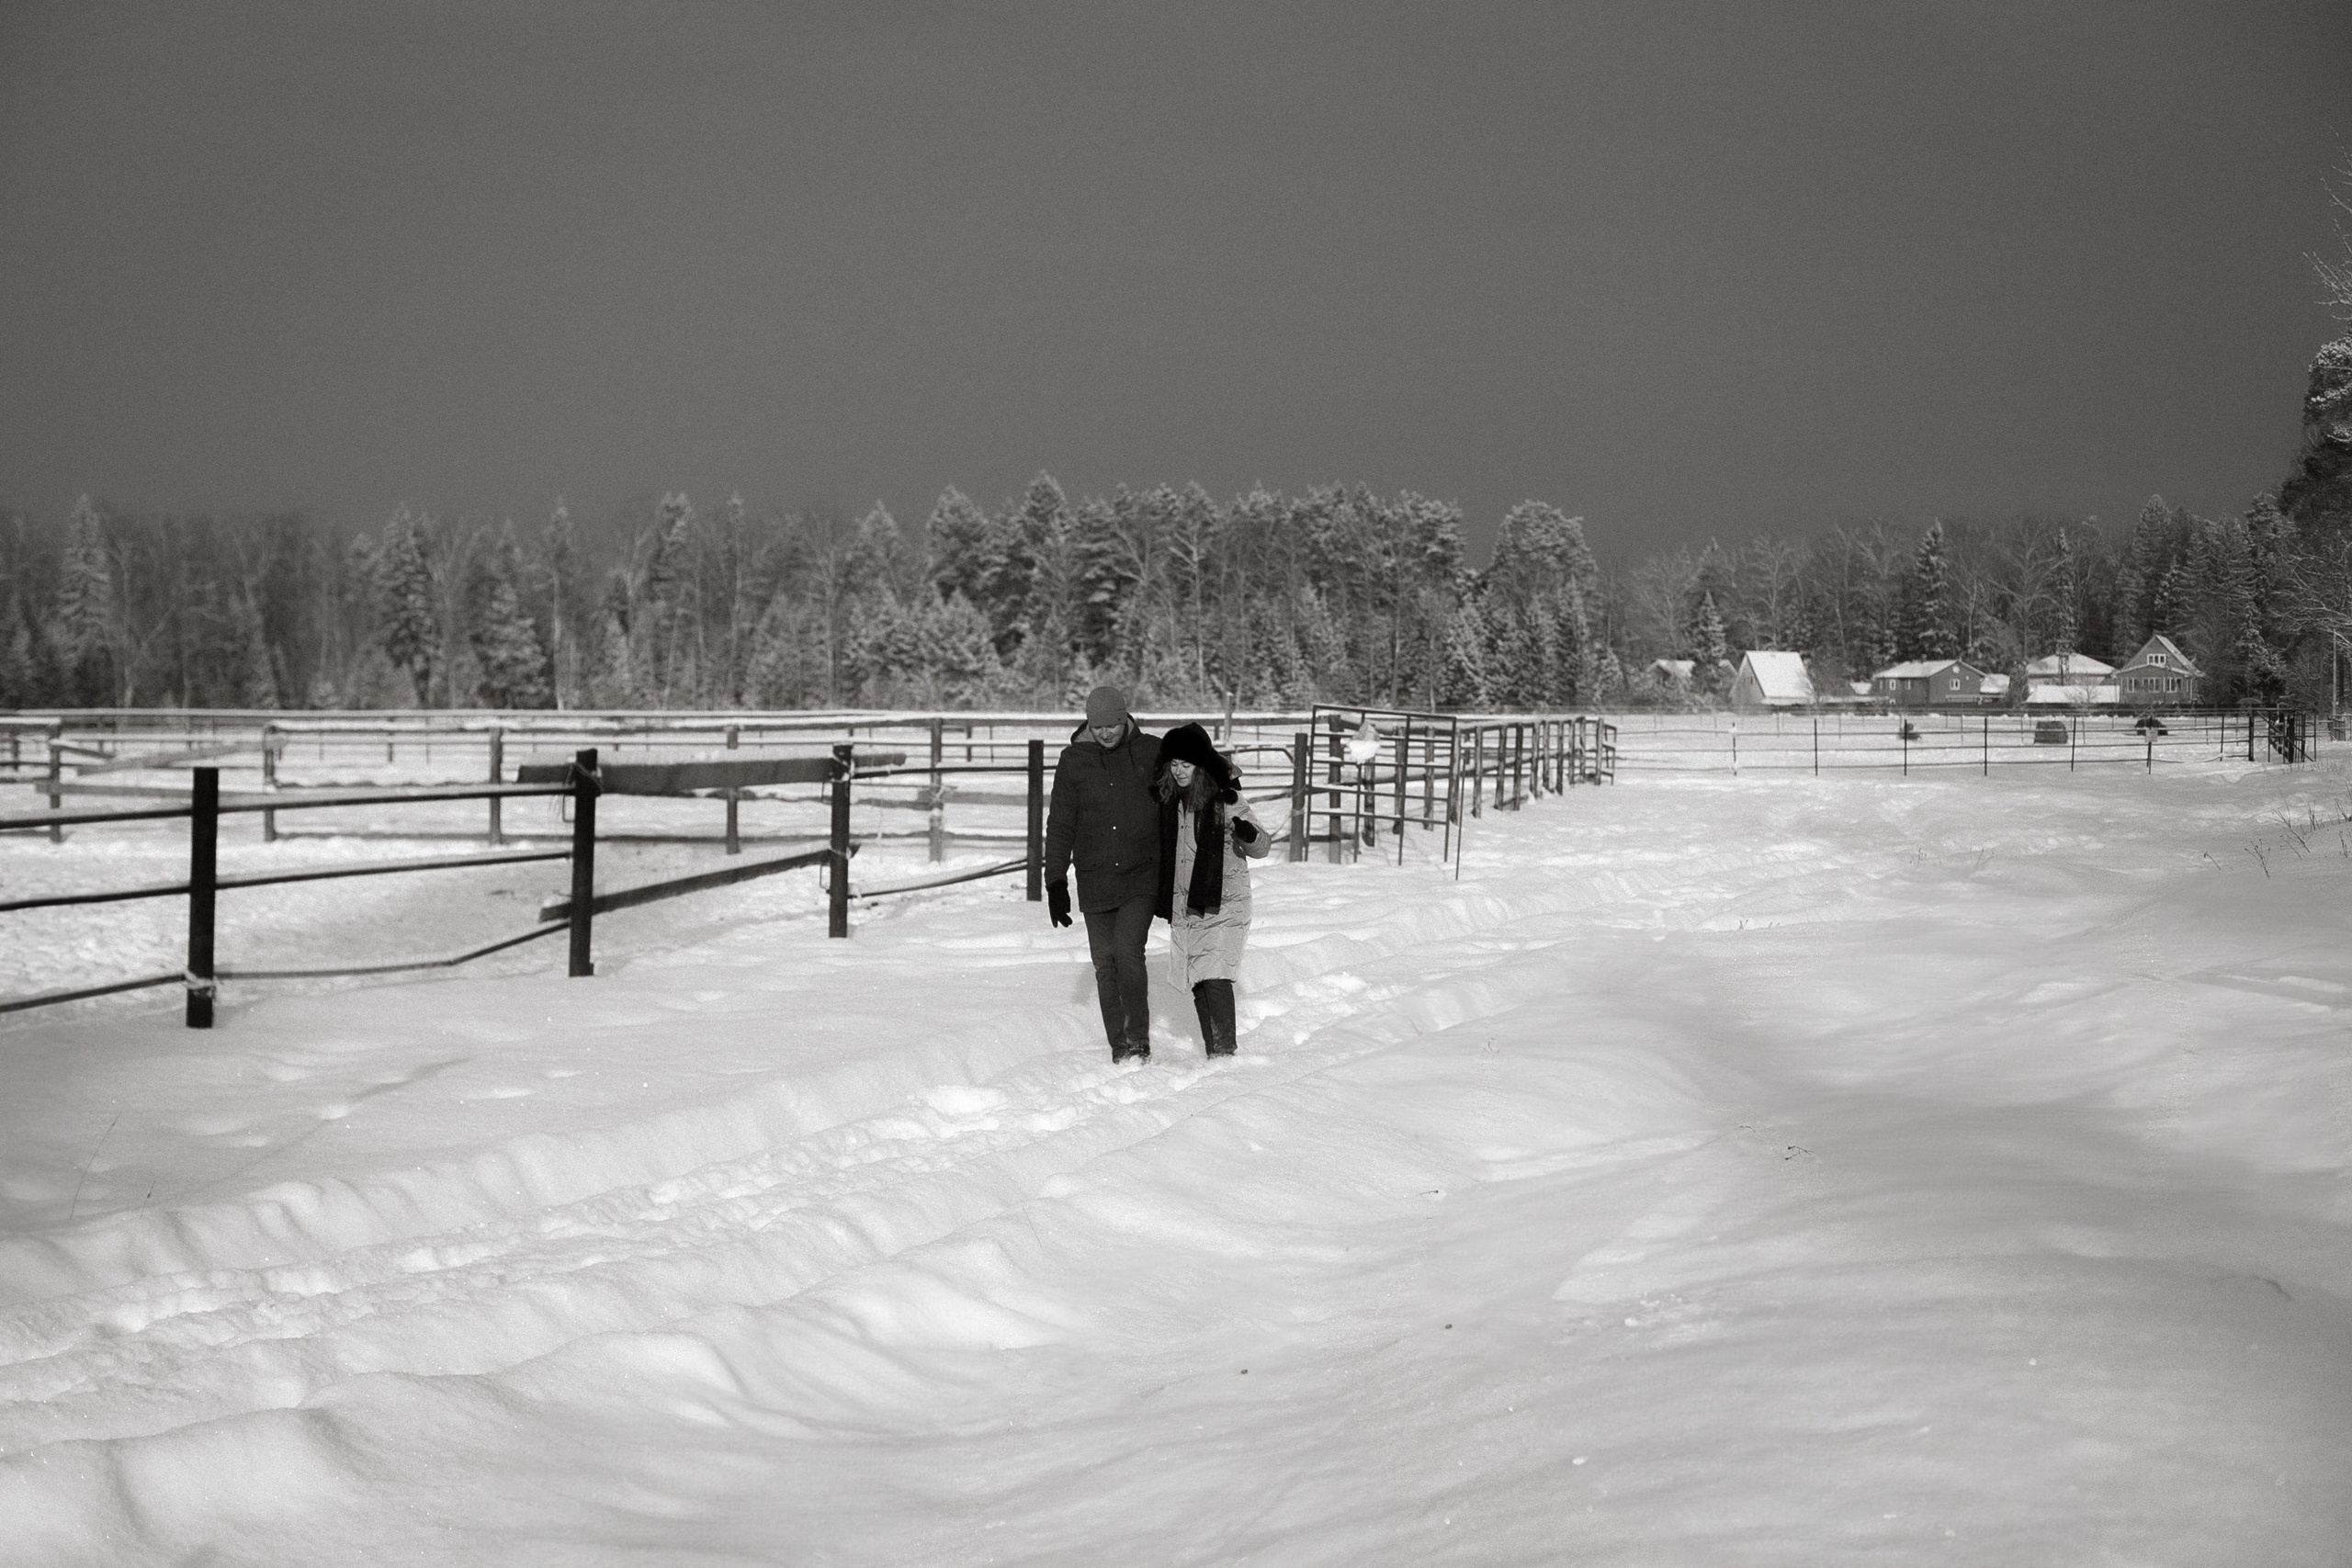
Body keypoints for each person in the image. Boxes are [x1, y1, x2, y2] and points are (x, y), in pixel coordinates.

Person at [1043, 685, 1163, 1063]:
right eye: (1099, 727)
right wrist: (1055, 880)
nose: (1107, 733)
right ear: (1088, 725)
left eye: (1113, 725)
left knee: (1128, 951)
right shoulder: (1073, 761)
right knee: (1105, 962)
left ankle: (1139, 1038)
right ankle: (1120, 1045)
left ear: (1125, 717)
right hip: (1095, 876)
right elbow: (1061, 823)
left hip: (1141, 873)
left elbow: (1191, 772)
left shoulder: (1151, 752)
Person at [1152, 722, 1270, 1057]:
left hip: (1225, 904)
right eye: (1173, 764)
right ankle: (1215, 1053)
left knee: (1215, 978)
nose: (1178, 771)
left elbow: (1262, 846)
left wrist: (1249, 834)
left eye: (1186, 765)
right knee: (1201, 982)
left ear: (1200, 766)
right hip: (1188, 905)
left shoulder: (1227, 800)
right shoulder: (1168, 802)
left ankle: (1225, 1053)